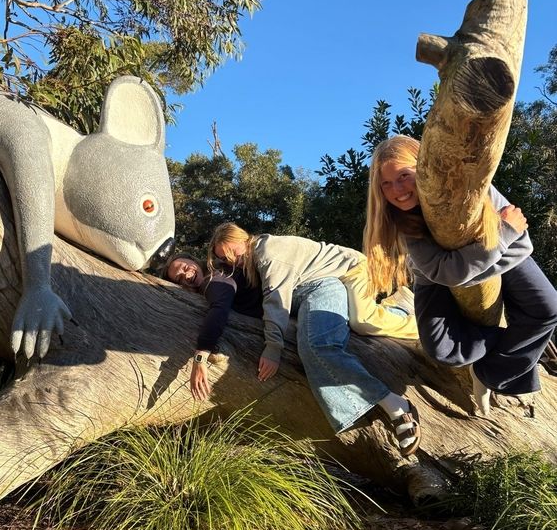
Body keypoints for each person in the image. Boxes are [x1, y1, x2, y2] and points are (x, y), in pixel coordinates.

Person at [363, 134, 557, 414]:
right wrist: (494, 245)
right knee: (444, 350)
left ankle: (490, 374)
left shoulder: (471, 186)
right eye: (386, 184)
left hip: (504, 259)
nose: (397, 189)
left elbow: (522, 242)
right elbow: (443, 273)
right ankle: (494, 345)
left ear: (423, 169)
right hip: (438, 280)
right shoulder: (403, 221)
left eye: (404, 176)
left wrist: (469, 268)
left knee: (548, 309)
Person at [205, 224, 423, 455]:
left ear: (242, 239)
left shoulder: (269, 253)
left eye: (231, 252)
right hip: (313, 288)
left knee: (339, 334)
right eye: (224, 259)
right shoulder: (254, 259)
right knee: (350, 326)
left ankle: (400, 392)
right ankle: (397, 307)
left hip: (344, 273)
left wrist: (273, 348)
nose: (231, 260)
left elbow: (276, 302)